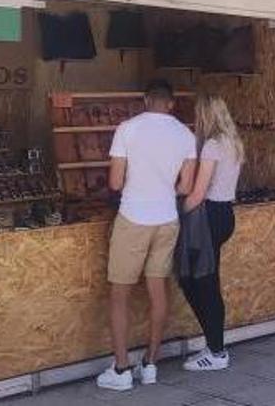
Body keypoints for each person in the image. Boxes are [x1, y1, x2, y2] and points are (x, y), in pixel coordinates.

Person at [98, 80, 198, 391]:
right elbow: (185, 187)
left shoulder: (127, 129)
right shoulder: (185, 134)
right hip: (167, 219)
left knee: (119, 294)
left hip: (133, 216)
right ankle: (151, 364)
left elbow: (115, 182)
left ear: (145, 100)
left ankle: (121, 368)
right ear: (171, 103)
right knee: (159, 291)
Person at [178, 93, 244, 371]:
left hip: (207, 218)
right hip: (225, 214)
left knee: (197, 282)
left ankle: (216, 351)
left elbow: (197, 194)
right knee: (206, 280)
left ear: (205, 115)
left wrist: (174, 213)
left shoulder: (212, 146)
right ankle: (214, 345)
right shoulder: (234, 142)